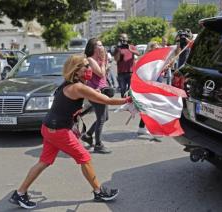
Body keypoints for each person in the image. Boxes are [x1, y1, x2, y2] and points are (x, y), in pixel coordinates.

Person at [8, 54, 131, 209]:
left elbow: (75, 102)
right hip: (58, 131)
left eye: (88, 65)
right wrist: (127, 100)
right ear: (76, 70)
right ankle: (99, 191)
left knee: (44, 162)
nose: (89, 68)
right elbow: (106, 100)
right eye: (85, 66)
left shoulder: (69, 84)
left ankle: (19, 193)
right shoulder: (78, 87)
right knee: (84, 158)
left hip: (49, 128)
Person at [81, 38, 112, 154]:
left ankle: (88, 135)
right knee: (101, 118)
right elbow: (101, 73)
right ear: (93, 47)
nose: (102, 47)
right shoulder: (90, 59)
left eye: (102, 44)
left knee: (105, 117)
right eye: (99, 45)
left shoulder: (98, 59)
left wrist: (104, 62)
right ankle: (98, 144)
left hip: (102, 90)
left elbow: (104, 74)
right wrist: (103, 61)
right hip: (95, 92)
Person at [137, 41, 159, 136]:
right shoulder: (146, 59)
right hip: (146, 86)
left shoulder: (156, 59)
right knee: (149, 107)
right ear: (150, 49)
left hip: (154, 85)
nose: (158, 50)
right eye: (156, 48)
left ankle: (142, 127)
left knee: (150, 107)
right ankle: (146, 127)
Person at [114, 33, 140, 98]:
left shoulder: (131, 46)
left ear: (127, 39)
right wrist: (118, 50)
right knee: (123, 90)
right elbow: (116, 59)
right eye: (122, 38)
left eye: (125, 38)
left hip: (131, 72)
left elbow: (138, 54)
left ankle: (130, 104)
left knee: (131, 90)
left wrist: (130, 49)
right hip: (121, 73)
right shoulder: (118, 48)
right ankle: (124, 104)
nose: (124, 40)